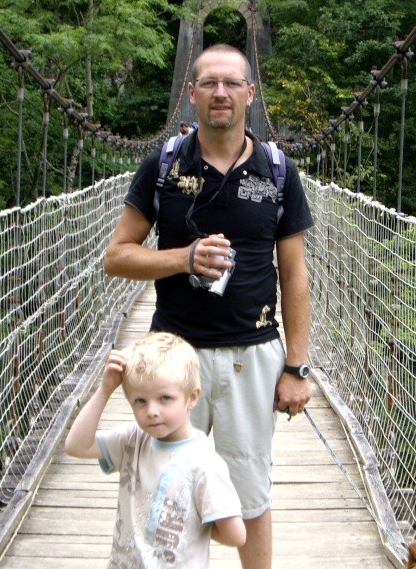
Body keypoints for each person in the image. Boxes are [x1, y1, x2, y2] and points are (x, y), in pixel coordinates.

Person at [103, 43, 314, 569]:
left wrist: (297, 368)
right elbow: (116, 257)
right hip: (174, 358)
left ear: (250, 92)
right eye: (209, 83)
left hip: (253, 355)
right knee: (162, 491)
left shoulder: (278, 171)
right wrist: (184, 258)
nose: (221, 93)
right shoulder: (163, 166)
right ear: (191, 93)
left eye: (231, 83)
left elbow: (295, 275)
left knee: (250, 495)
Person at [64, 331, 246, 567]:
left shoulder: (205, 464)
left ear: (192, 398)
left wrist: (190, 524)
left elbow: (237, 535)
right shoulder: (134, 440)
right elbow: (76, 446)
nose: (152, 410)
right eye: (140, 401)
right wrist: (105, 390)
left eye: (165, 398)